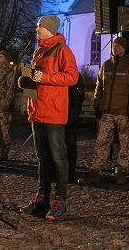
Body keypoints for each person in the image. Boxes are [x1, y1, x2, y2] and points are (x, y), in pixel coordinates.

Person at [17, 15, 79, 220]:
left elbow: (72, 77)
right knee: (42, 156)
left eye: (39, 26)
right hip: (37, 110)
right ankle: (42, 196)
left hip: (53, 111)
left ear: (49, 28)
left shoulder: (63, 50)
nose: (36, 29)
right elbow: (36, 79)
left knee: (58, 156)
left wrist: (43, 77)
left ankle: (60, 198)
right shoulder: (38, 51)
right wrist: (26, 81)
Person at [79, 36, 129, 186]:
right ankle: (94, 173)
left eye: (117, 46)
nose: (114, 48)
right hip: (107, 113)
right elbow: (98, 87)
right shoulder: (106, 65)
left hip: (124, 113)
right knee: (101, 143)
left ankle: (122, 172)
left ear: (124, 48)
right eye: (113, 45)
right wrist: (97, 105)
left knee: (125, 144)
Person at [0, 50, 18, 161]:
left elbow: (11, 89)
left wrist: (7, 103)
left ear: (6, 59)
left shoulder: (10, 72)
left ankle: (4, 152)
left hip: (4, 105)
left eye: (1, 57)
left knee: (4, 129)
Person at [65, 72, 85, 182]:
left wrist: (72, 117)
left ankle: (69, 174)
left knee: (70, 146)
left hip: (69, 117)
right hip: (57, 117)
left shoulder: (75, 75)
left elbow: (78, 97)